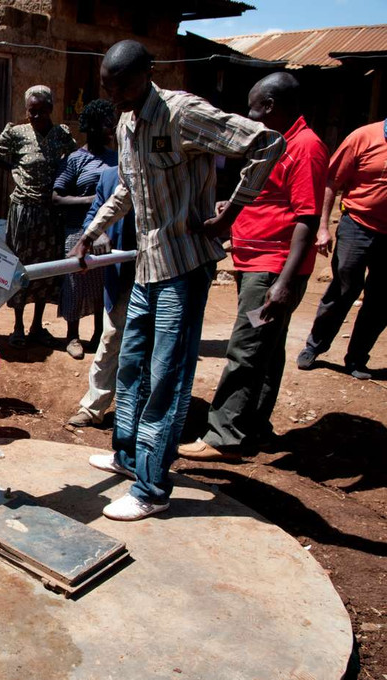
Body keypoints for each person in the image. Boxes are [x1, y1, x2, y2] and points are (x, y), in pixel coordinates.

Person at [68, 40, 285, 521]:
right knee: (130, 365)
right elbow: (128, 188)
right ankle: (128, 455)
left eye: (122, 85)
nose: (114, 95)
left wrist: (232, 213)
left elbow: (267, 143)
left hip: (184, 267)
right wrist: (90, 233)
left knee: (167, 377)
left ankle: (151, 487)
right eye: (107, 87)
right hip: (148, 266)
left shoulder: (182, 113)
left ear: (148, 72)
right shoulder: (126, 123)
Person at [181, 73, 328, 460]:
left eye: (253, 107)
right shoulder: (275, 143)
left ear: (271, 106)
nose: (249, 115)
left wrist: (283, 282)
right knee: (267, 348)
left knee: (246, 347)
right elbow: (267, 197)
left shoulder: (304, 147)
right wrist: (231, 214)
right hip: (256, 263)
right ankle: (255, 427)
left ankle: (223, 436)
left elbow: (307, 218)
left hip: (272, 269)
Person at [0, 85, 77, 348]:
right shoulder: (17, 133)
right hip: (23, 210)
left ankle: (37, 325)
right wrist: (12, 168)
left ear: (51, 109)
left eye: (41, 111)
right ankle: (18, 326)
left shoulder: (60, 135)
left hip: (50, 213)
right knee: (21, 268)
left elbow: (74, 158)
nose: (35, 117)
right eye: (31, 111)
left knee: (45, 269)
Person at [295, 119, 387, 380]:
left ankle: (357, 358)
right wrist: (323, 227)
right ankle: (314, 346)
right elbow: (330, 182)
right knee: (344, 288)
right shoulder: (363, 137)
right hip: (357, 224)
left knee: (381, 299)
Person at [66, 166, 137, 429]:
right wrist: (98, 233)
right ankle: (93, 407)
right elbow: (93, 215)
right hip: (121, 273)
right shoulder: (109, 176)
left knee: (148, 343)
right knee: (111, 337)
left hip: (160, 274)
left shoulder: (162, 168)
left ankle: (139, 410)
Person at [53, 99, 118, 359]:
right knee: (75, 283)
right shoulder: (75, 160)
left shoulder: (115, 158)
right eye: (105, 124)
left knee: (103, 283)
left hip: (107, 231)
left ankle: (99, 332)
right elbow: (57, 197)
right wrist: (93, 200)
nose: (111, 129)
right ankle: (72, 336)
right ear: (91, 127)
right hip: (77, 230)